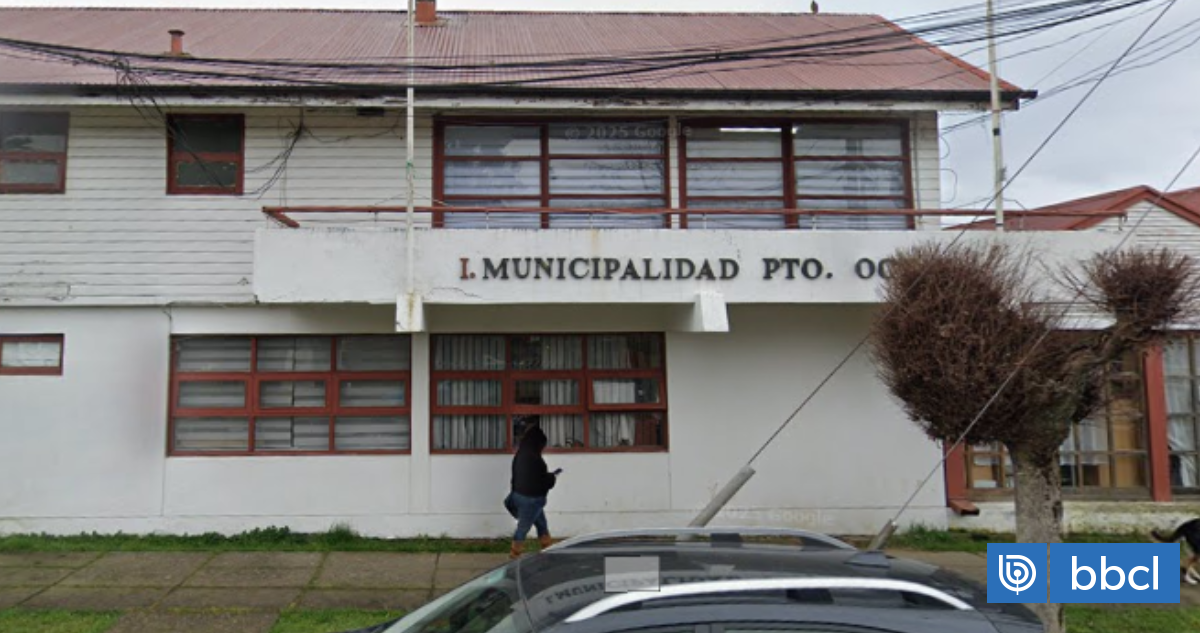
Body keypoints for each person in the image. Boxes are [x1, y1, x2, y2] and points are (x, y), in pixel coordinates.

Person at [508, 425, 559, 559]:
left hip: (518, 495)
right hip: (532, 499)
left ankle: (547, 549)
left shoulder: (519, 455)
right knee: (523, 528)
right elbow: (542, 481)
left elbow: (519, 477)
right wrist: (552, 477)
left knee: (541, 524)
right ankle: (514, 554)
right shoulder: (536, 460)